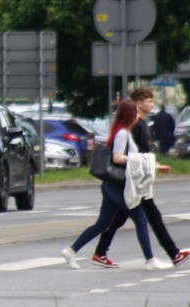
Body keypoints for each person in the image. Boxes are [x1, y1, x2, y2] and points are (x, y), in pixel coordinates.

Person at [61, 99, 173, 271]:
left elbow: (136, 158)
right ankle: (150, 260)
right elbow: (117, 157)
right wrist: (137, 160)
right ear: (129, 115)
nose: (138, 115)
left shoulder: (124, 132)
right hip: (118, 186)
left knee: (103, 223)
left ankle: (71, 251)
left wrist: (156, 166)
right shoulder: (122, 133)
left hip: (112, 185)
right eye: (135, 112)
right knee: (141, 220)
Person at [91, 88, 190, 269]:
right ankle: (173, 254)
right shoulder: (135, 126)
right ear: (139, 104)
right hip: (135, 179)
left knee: (118, 218)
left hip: (135, 178)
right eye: (149, 101)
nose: (152, 104)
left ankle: (100, 252)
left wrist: (155, 166)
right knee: (152, 217)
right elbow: (134, 154)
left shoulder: (139, 124)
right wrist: (150, 166)